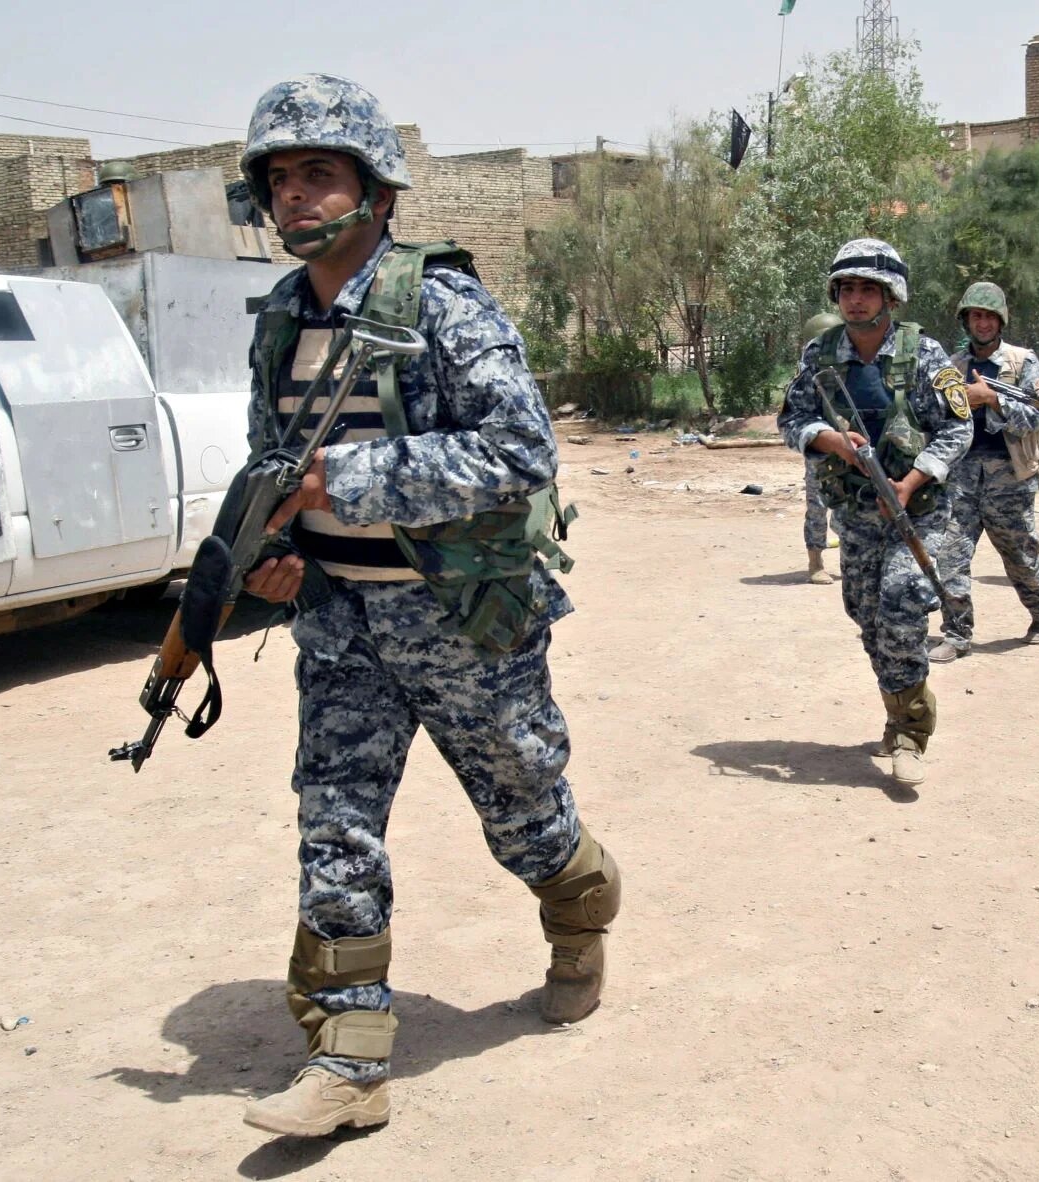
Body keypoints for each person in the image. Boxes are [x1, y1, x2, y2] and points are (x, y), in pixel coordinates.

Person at [232, 74, 620, 1138]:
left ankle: (580, 911)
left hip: (459, 618)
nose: (297, 196)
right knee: (335, 820)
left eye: (320, 173)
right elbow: (275, 465)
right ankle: (351, 1057)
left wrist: (344, 485)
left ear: (376, 191)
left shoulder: (440, 304)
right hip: (342, 621)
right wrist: (279, 550)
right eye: (280, 177)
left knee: (524, 811)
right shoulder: (279, 322)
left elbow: (517, 450)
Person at [779, 239, 971, 787]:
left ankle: (912, 733)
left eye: (868, 290)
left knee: (902, 604)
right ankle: (897, 712)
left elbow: (958, 428)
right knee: (868, 619)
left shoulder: (926, 354)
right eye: (847, 289)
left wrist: (912, 482)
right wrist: (830, 442)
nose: (856, 300)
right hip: (857, 516)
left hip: (918, 511)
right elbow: (792, 420)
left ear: (891, 296)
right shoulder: (820, 354)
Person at [930, 281, 1039, 659]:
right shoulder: (952, 366)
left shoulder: (1022, 362)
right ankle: (956, 633)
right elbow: (936, 418)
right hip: (963, 475)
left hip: (1009, 475)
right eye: (975, 316)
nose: (982, 323)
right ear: (966, 320)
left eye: (988, 316)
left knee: (1019, 555)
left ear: (1000, 321)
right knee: (950, 554)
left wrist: (993, 400)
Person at [799, 311, 845, 584]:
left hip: (848, 442)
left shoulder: (850, 366)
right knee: (817, 502)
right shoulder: (807, 371)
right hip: (819, 442)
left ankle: (850, 557)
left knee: (849, 500)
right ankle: (815, 561)